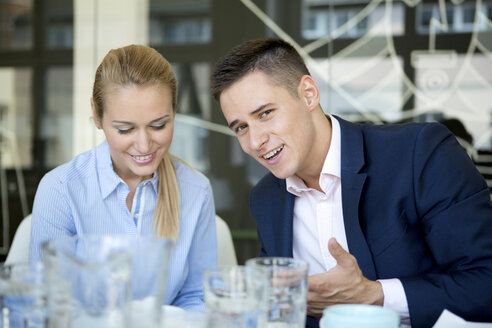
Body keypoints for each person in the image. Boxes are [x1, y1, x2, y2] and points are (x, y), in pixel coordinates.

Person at [210, 38, 492, 328]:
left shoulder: (419, 153)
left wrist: (375, 295)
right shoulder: (266, 198)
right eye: (241, 128)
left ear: (308, 94)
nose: (256, 141)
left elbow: (485, 280)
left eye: (266, 113)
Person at [29, 44, 217, 309]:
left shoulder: (196, 191)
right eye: (125, 129)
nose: (143, 145)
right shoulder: (61, 189)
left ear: (174, 111)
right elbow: (48, 306)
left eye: (158, 125)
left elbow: (197, 297)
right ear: (97, 114)